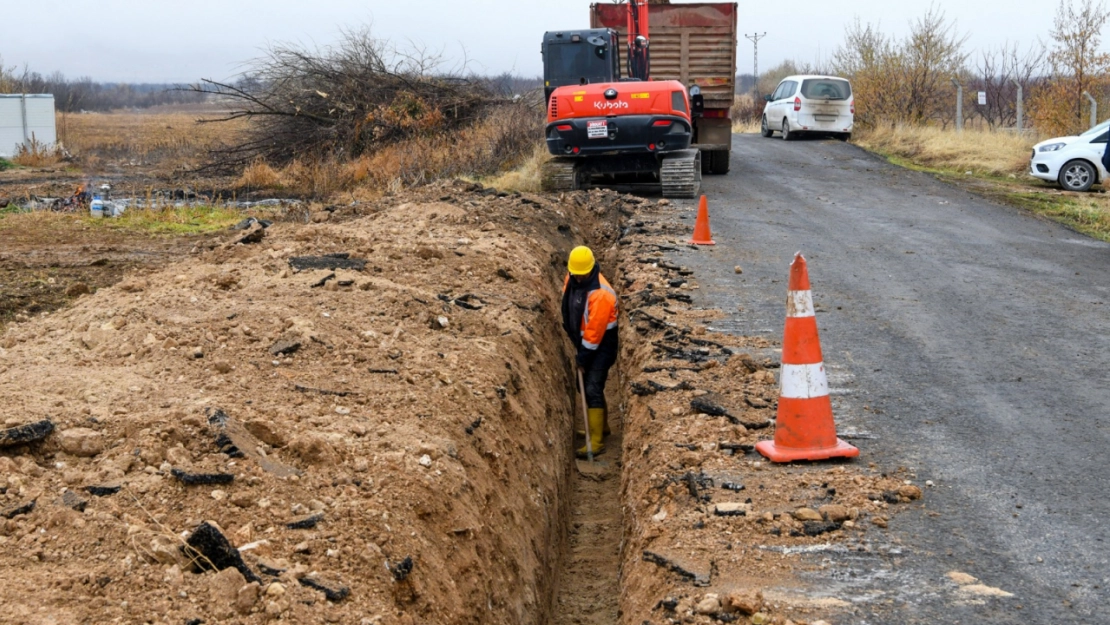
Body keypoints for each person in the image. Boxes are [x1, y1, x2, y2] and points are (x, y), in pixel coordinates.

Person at [561, 245, 619, 458]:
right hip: (585, 341)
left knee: (592, 387)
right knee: (585, 385)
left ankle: (596, 441)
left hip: (602, 344)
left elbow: (595, 333)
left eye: (581, 275)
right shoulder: (573, 278)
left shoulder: (601, 294)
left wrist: (583, 357)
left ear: (591, 269)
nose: (577, 278)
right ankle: (599, 427)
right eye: (575, 274)